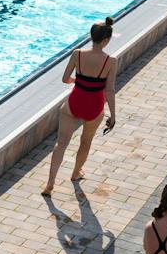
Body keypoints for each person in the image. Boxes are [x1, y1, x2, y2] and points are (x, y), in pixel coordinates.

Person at [42, 17, 117, 194]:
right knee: (86, 140)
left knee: (61, 144)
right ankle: (76, 173)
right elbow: (110, 90)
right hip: (95, 106)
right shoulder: (111, 61)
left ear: (91, 36)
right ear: (106, 40)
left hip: (75, 101)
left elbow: (65, 79)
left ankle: (50, 183)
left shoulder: (77, 54)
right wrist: (113, 115)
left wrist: (79, 81)